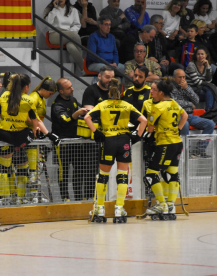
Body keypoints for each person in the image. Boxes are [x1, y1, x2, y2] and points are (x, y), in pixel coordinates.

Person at [0, 74, 60, 205]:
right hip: (21, 138)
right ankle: (21, 197)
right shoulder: (28, 100)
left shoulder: (4, 96)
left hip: (5, 135)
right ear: (26, 86)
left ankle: (2, 199)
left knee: (3, 168)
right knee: (24, 165)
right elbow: (35, 122)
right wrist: (42, 133)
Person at [85, 78, 147, 222]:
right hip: (124, 141)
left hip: (108, 141)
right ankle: (119, 209)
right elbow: (143, 120)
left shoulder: (102, 105)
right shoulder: (126, 105)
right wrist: (137, 136)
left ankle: (99, 209)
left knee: (103, 175)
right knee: (122, 175)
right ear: (122, 90)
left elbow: (87, 117)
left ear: (108, 89)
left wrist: (95, 131)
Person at [144, 79, 188, 217]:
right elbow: (185, 115)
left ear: (161, 92)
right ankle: (170, 205)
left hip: (165, 144)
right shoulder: (174, 103)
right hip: (177, 142)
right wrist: (178, 129)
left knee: (151, 174)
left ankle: (161, 205)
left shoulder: (158, 107)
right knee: (171, 174)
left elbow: (150, 129)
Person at [51, 78, 89, 201]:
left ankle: (78, 198)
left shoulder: (73, 100)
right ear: (61, 91)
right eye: (68, 88)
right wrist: (78, 113)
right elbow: (65, 120)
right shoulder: (57, 105)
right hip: (63, 144)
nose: (72, 89)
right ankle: (65, 199)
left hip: (76, 142)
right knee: (63, 173)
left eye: (72, 86)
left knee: (79, 171)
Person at [82, 65, 115, 200]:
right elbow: (90, 112)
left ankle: (105, 197)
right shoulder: (91, 90)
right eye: (107, 77)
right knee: (91, 170)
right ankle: (90, 197)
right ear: (99, 76)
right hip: (94, 138)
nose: (110, 80)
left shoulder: (113, 91)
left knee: (107, 169)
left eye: (112, 77)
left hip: (110, 136)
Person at [171, 69, 215, 158]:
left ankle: (199, 150)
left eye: (184, 77)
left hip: (190, 115)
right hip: (178, 116)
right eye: (180, 77)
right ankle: (187, 151)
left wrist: (186, 88)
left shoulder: (186, 86)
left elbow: (197, 100)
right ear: (174, 78)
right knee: (185, 124)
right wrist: (190, 104)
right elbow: (174, 102)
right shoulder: (170, 87)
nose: (183, 79)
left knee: (210, 124)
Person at [26, 77, 57, 202]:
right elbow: (28, 116)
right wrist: (35, 127)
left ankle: (36, 194)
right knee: (34, 167)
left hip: (38, 133)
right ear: (44, 89)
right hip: (32, 133)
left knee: (37, 167)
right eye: (50, 93)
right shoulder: (33, 98)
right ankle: (33, 196)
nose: (50, 95)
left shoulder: (42, 99)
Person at [44, 0, 84, 75]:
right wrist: (55, 8)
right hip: (55, 34)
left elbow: (77, 25)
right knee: (75, 36)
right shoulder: (51, 9)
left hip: (69, 34)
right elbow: (48, 23)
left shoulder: (73, 10)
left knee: (71, 47)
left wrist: (70, 32)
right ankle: (84, 67)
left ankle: (80, 69)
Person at [185, 45, 217, 111]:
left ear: (206, 55)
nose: (200, 56)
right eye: (198, 54)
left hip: (202, 87)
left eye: (202, 54)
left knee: (212, 90)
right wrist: (211, 86)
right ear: (195, 56)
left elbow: (208, 80)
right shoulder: (191, 65)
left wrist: (208, 67)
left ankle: (210, 111)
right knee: (211, 90)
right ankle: (209, 111)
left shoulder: (207, 65)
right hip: (192, 88)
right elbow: (197, 82)